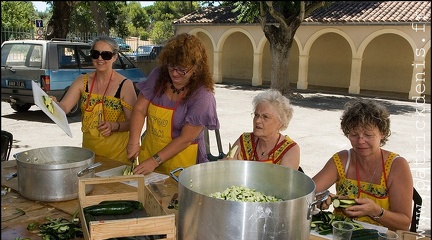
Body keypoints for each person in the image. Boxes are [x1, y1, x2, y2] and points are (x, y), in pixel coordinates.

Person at [313, 99, 413, 231]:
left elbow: (404, 223)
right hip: (341, 233)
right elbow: (307, 192)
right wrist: (323, 197)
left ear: (382, 134)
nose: (360, 141)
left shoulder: (397, 166)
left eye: (368, 135)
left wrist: (376, 211)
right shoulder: (342, 160)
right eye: (354, 134)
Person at [127, 33, 220, 175]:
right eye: (172, 67)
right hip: (150, 154)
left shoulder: (203, 96)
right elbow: (140, 109)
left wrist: (154, 161)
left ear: (196, 68)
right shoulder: (158, 76)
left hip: (184, 165)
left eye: (182, 70)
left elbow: (185, 139)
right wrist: (133, 141)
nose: (175, 74)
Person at [53, 36, 137, 164]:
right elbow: (64, 108)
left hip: (118, 158)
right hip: (90, 156)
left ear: (114, 57)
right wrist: (51, 104)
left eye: (106, 55)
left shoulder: (125, 85)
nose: (100, 58)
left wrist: (115, 126)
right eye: (95, 54)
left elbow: (135, 123)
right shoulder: (82, 81)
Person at [225, 89, 300, 170]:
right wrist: (224, 164)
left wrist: (242, 170)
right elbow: (225, 166)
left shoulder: (290, 150)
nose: (257, 121)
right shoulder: (245, 140)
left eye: (265, 117)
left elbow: (284, 182)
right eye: (256, 115)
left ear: (280, 123)